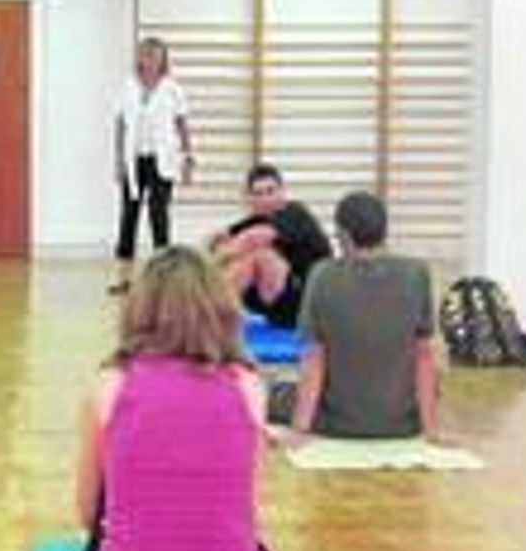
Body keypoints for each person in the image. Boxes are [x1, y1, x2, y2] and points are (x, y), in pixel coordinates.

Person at [72, 245, 282, 551]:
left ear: (139, 310)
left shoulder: (109, 383)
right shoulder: (249, 385)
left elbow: (86, 512)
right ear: (219, 307)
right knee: (256, 550)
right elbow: (243, 508)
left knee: (106, 530)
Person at [277, 191, 440, 442]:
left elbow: (313, 359)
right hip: (403, 425)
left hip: (335, 423)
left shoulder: (322, 275)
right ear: (384, 231)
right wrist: (430, 432)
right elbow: (425, 357)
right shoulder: (417, 274)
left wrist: (299, 430)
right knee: (434, 386)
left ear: (343, 235)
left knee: (273, 391)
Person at [110, 37, 193, 295]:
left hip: (162, 160)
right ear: (139, 58)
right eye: (144, 54)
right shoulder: (127, 87)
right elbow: (121, 125)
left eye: (155, 55)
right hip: (134, 160)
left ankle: (163, 281)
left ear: (163, 59)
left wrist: (188, 156)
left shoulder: (173, 89)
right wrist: (118, 160)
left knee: (159, 217)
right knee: (128, 217)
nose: (149, 60)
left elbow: (182, 124)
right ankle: (124, 279)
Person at [211, 164, 333, 329]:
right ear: (249, 199)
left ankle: (209, 314)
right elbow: (218, 238)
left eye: (270, 191)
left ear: (282, 192)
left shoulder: (295, 212)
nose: (265, 199)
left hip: (308, 305)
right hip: (276, 306)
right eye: (258, 194)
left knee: (259, 255)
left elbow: (253, 238)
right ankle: (209, 313)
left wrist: (206, 265)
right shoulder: (255, 220)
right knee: (236, 255)